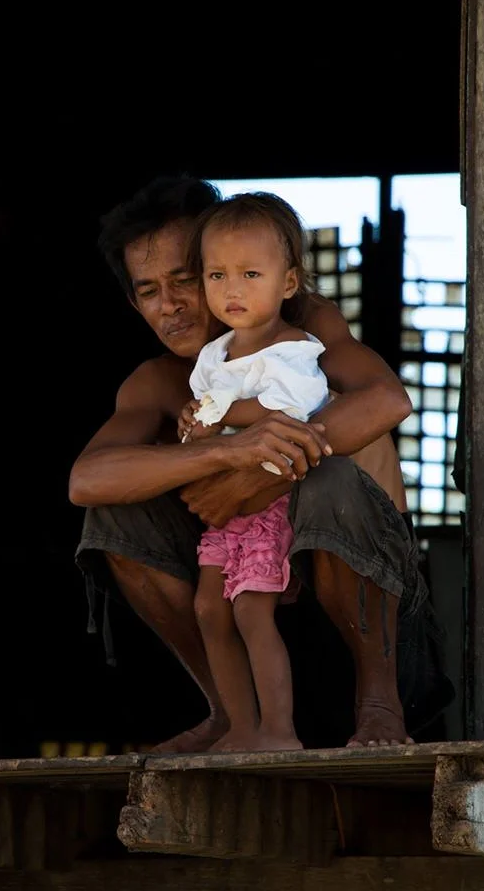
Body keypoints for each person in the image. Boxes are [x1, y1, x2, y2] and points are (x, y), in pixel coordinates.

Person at [69, 175, 453, 753]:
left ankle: (379, 707)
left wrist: (261, 474)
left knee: (331, 479)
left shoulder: (303, 330)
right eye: (149, 291)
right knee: (116, 514)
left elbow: (386, 400)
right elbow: (86, 479)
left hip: (366, 634)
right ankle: (231, 714)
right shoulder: (160, 381)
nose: (171, 305)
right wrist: (224, 450)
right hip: (246, 621)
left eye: (186, 278)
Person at [178, 192, 330, 752]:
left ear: (288, 283)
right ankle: (241, 726)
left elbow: (290, 411)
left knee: (250, 611)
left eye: (250, 274)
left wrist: (219, 414)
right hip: (225, 506)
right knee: (208, 609)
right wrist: (193, 420)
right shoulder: (213, 356)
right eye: (217, 275)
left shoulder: (294, 350)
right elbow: (206, 415)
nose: (232, 289)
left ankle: (279, 731)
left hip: (270, 500)